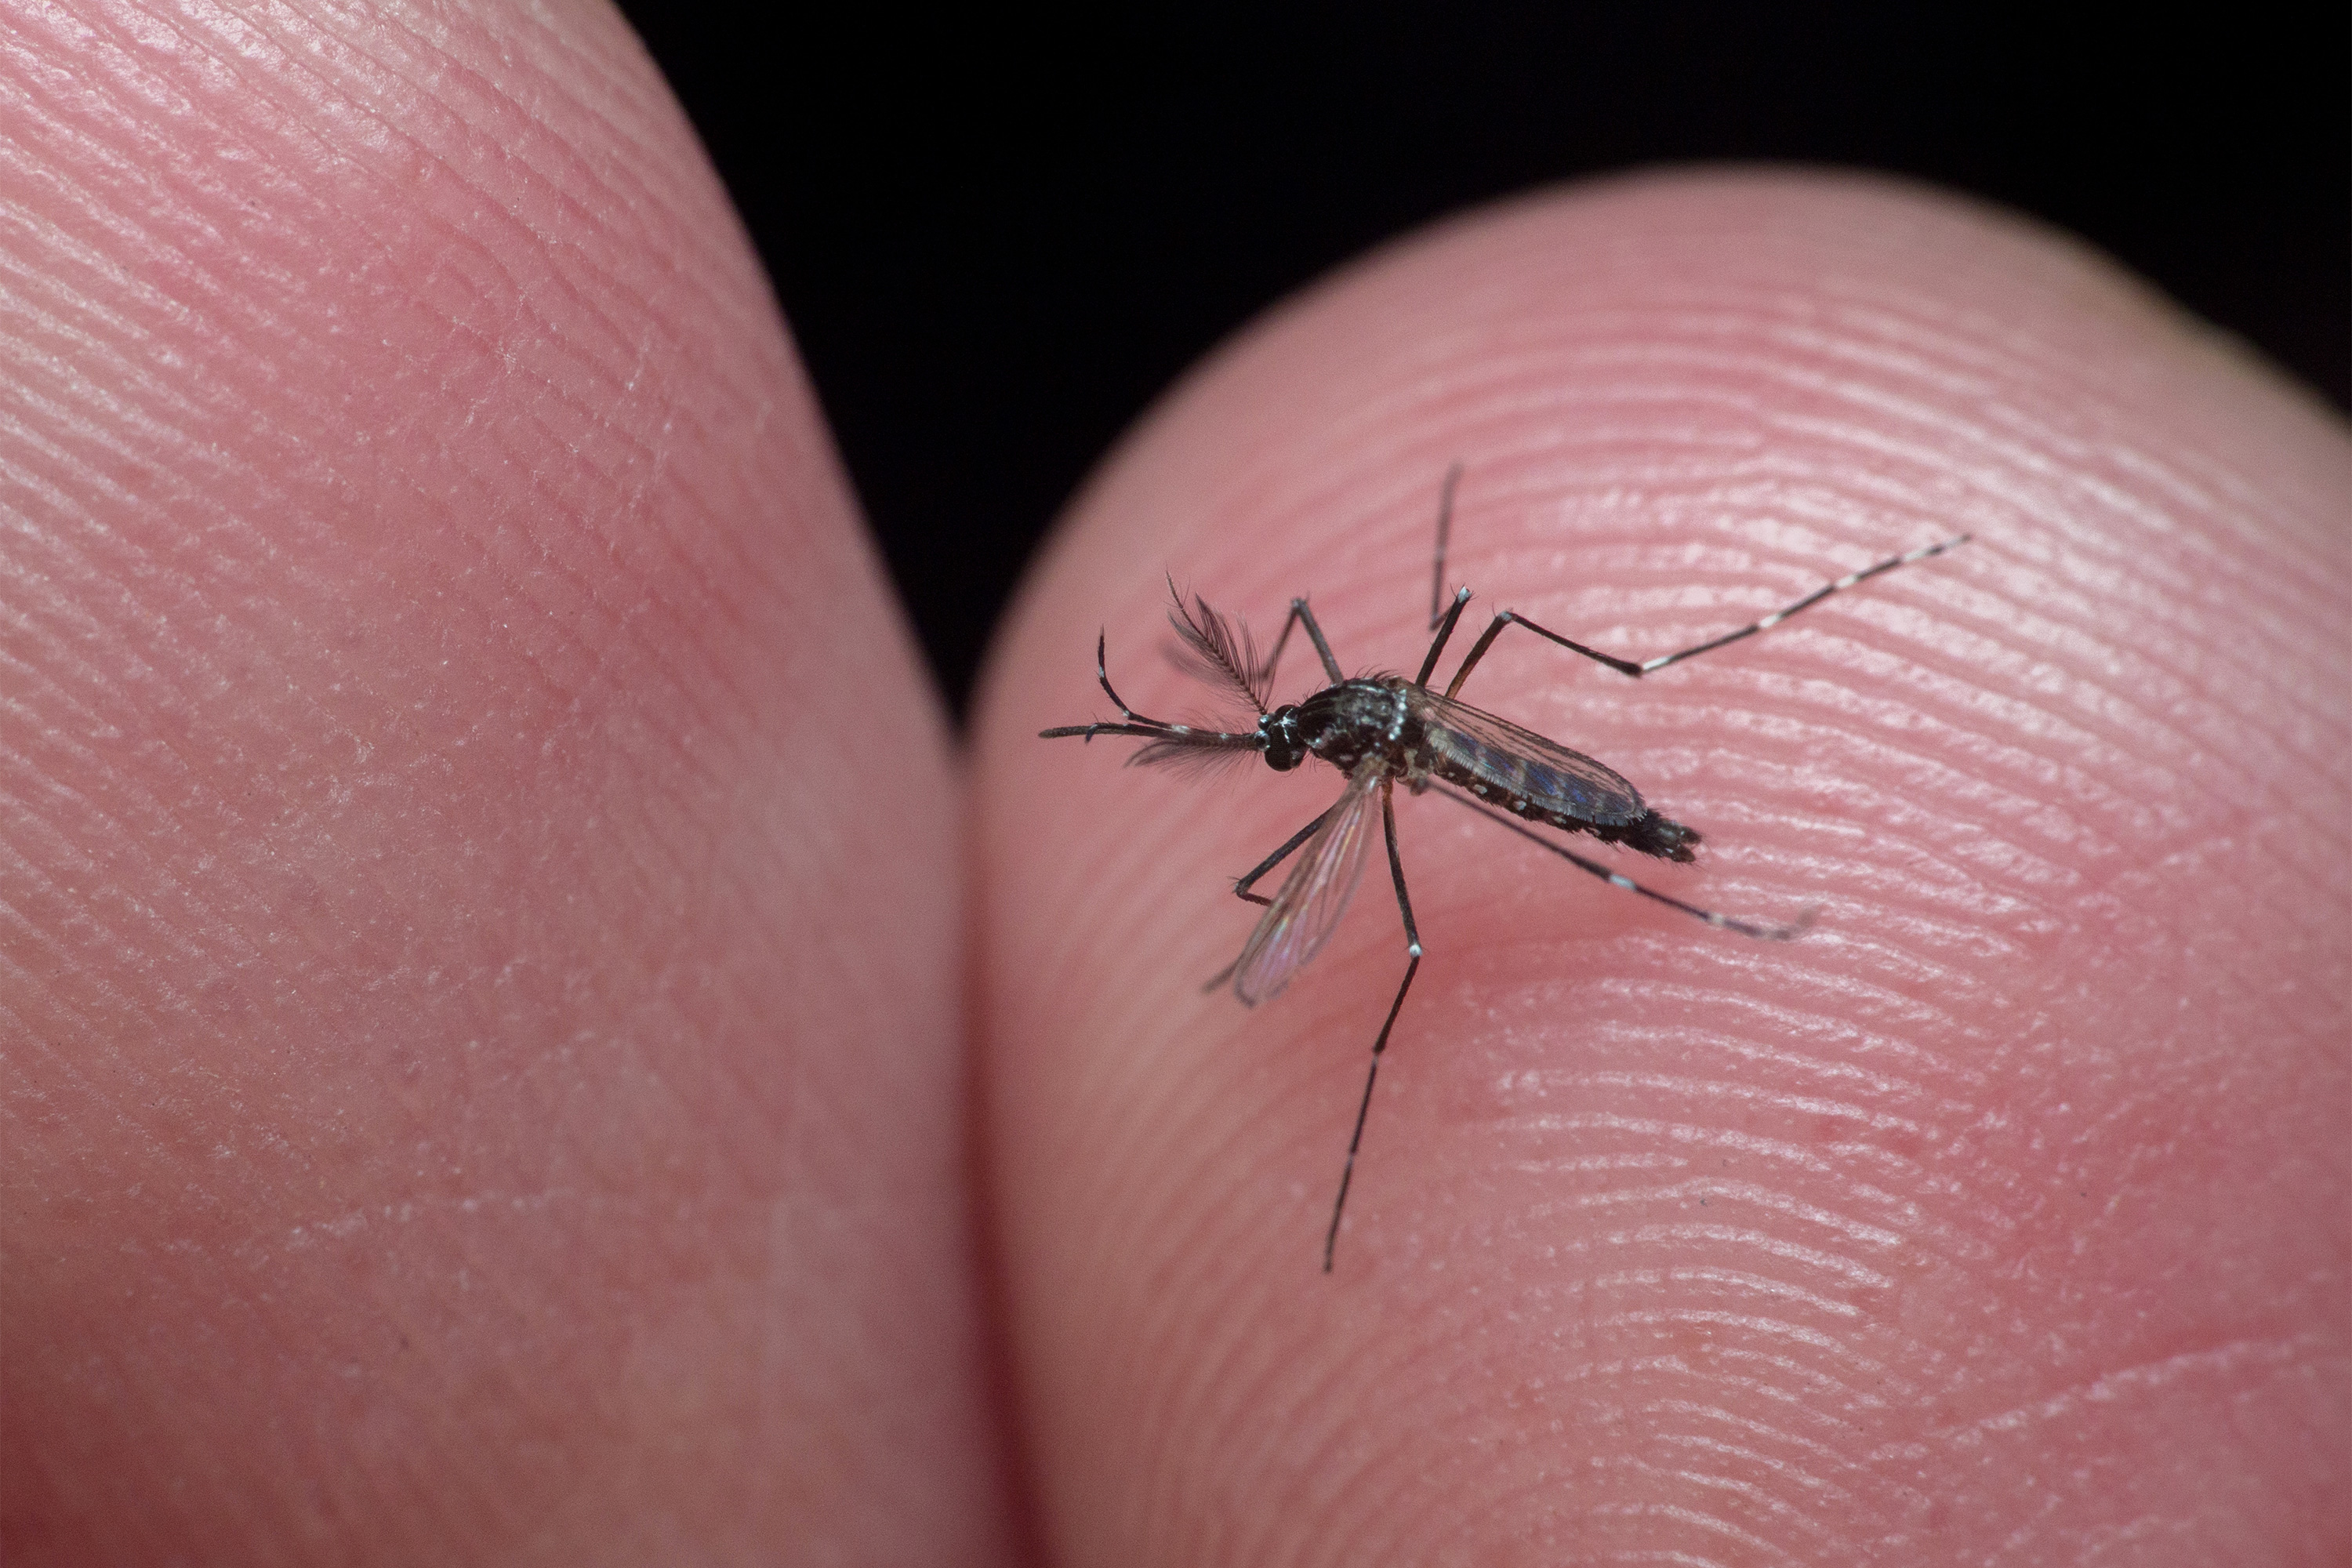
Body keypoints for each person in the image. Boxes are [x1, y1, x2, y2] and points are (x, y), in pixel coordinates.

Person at [5, 5, 2343, 1563]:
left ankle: (1706, 822)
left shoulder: (1370, 749)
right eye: (1303, 736)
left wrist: (1516, 838)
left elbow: (1322, 877)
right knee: (1428, 809)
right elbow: (1312, 755)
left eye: (1293, 731)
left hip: (1520, 746)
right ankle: (1693, 840)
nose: (1299, 747)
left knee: (1438, 885)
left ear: (1322, 725)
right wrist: (1281, 754)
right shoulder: (1339, 726)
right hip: (1445, 722)